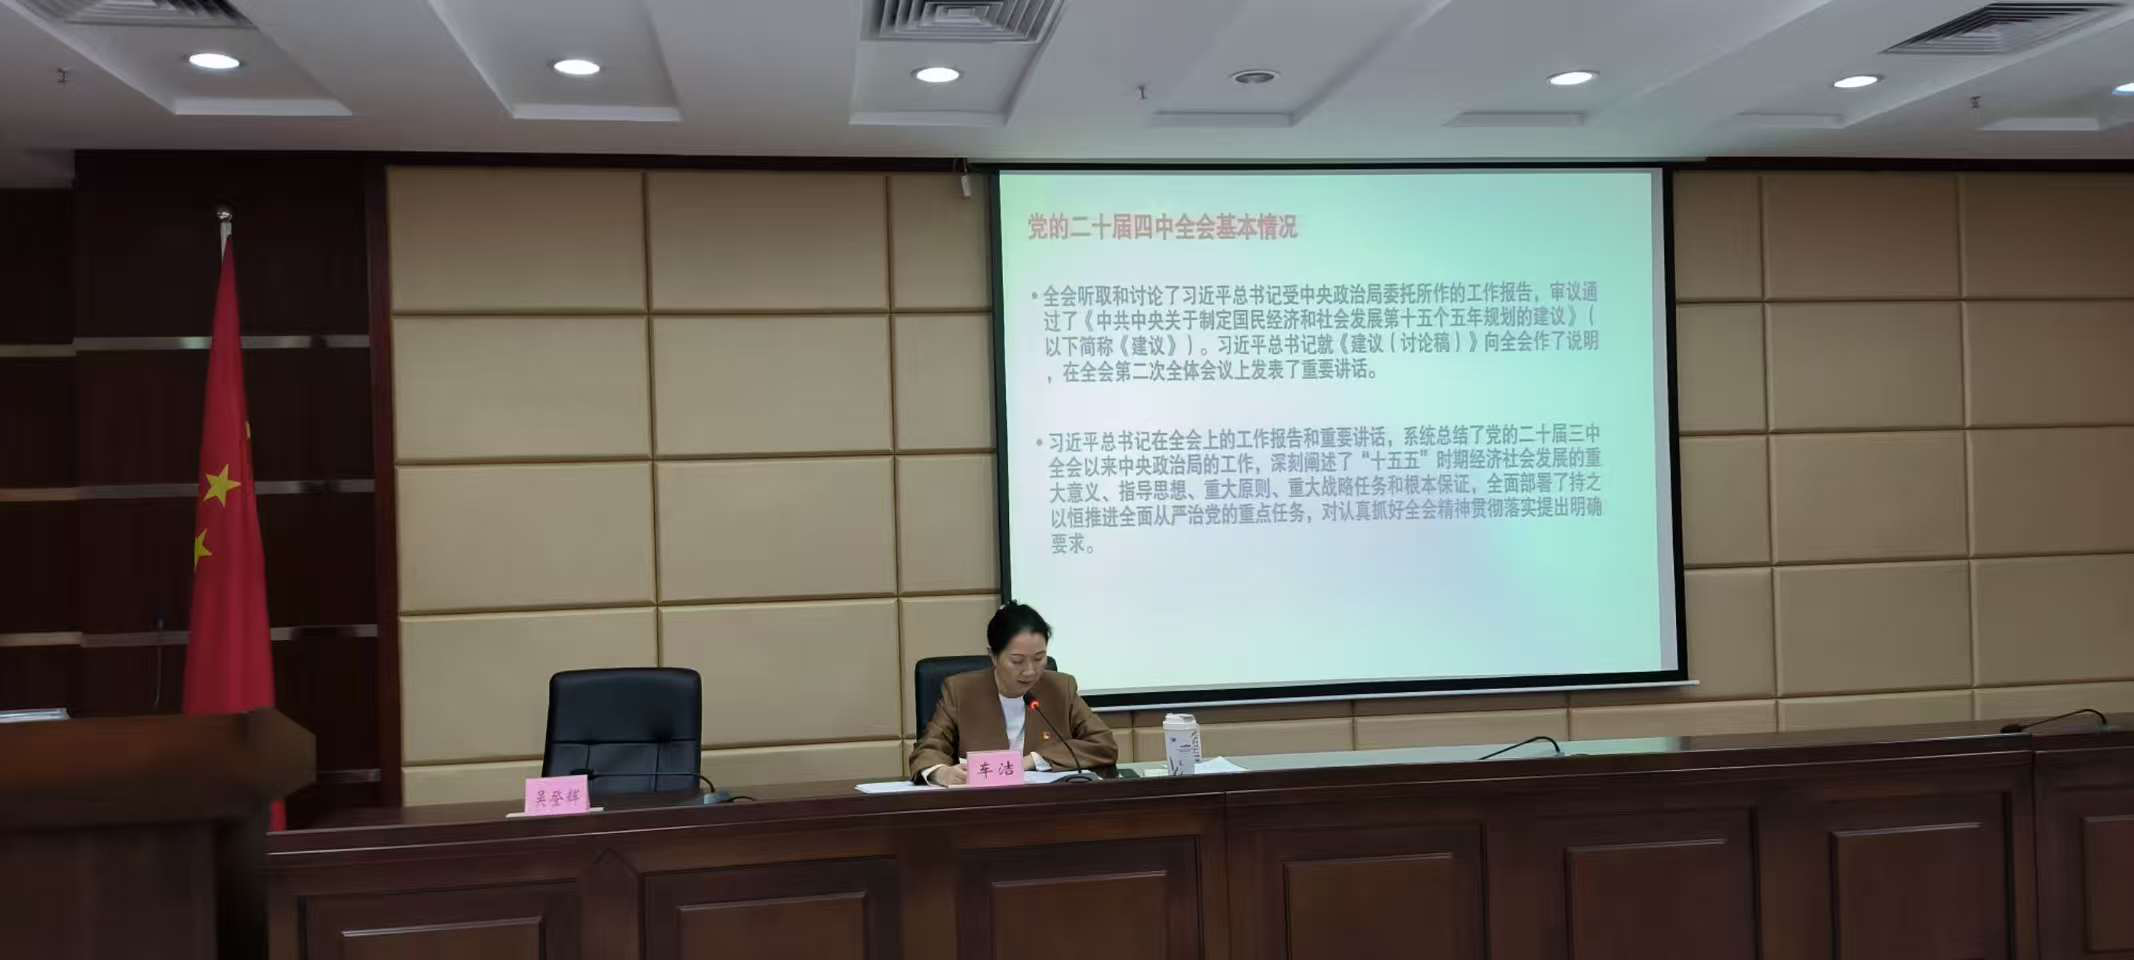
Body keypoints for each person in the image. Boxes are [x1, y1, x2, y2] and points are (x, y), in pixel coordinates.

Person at [910, 602, 1117, 785]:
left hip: (1046, 805)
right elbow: (928, 750)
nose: (1030, 671)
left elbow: (1103, 744)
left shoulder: (1061, 688)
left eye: (1039, 658)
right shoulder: (960, 691)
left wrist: (1034, 760)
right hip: (981, 806)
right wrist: (941, 773)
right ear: (993, 656)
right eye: (1017, 661)